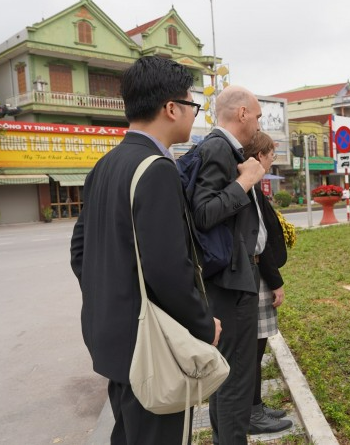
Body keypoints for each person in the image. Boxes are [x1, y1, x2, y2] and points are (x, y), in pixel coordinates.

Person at [70, 56, 222, 445]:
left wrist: (111, 301)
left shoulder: (104, 165)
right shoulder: (156, 168)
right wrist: (204, 326)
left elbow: (80, 251)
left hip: (112, 339)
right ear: (171, 108)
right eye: (192, 106)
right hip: (149, 352)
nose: (193, 115)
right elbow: (168, 268)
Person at [189, 85, 275, 444]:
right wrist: (244, 182)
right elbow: (204, 212)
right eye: (256, 116)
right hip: (228, 282)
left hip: (239, 276)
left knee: (233, 375)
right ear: (241, 114)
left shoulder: (228, 149)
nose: (258, 124)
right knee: (235, 378)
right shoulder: (217, 149)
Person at [241, 131, 293, 434]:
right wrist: (276, 281)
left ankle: (255, 406)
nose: (273, 158)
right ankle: (251, 413)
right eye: (271, 153)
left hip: (259, 274)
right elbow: (260, 242)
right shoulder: (248, 187)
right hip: (258, 275)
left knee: (256, 349)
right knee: (252, 350)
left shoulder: (255, 187)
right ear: (259, 155)